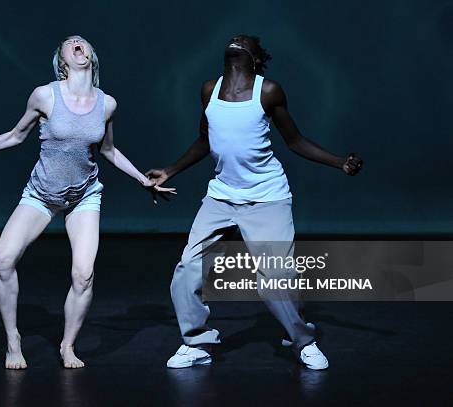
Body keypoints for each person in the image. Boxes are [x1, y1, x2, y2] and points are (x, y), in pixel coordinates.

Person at [0, 35, 175, 370]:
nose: (78, 42)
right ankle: (13, 341)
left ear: (91, 55)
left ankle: (67, 346)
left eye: (83, 42)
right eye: (70, 42)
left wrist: (143, 181)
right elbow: (16, 134)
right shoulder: (45, 96)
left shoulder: (107, 104)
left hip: (84, 196)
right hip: (42, 194)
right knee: (3, 260)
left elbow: (108, 151)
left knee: (83, 275)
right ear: (63, 60)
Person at [146, 34, 363, 370]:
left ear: (255, 58)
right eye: (232, 39)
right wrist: (170, 171)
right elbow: (205, 140)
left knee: (275, 278)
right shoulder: (209, 90)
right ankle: (196, 343)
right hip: (221, 196)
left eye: (243, 41)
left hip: (267, 198)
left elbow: (295, 141)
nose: (235, 41)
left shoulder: (268, 91)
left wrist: (339, 162)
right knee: (187, 269)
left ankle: (303, 341)